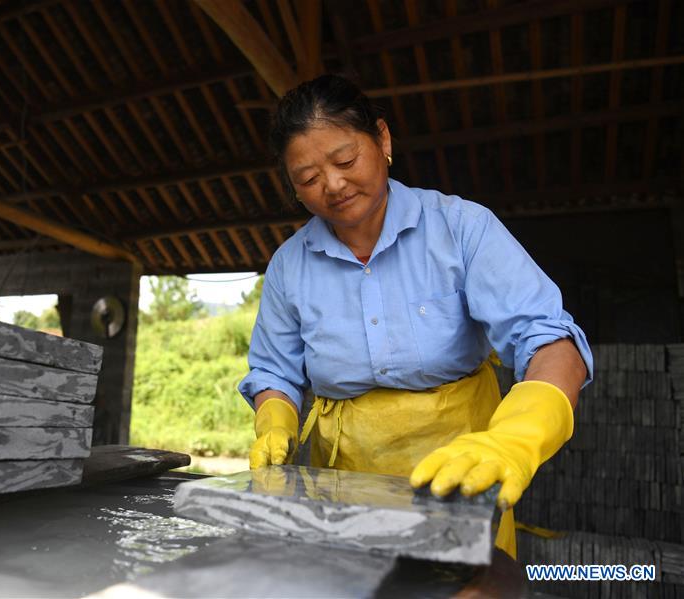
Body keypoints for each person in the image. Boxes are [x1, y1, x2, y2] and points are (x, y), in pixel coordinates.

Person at [237, 74, 592, 559]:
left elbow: (549, 340)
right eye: (308, 179)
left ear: (382, 140)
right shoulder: (288, 265)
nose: (333, 185)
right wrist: (275, 419)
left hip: (463, 479)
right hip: (341, 487)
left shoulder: (462, 227)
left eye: (345, 161)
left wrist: (518, 437)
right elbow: (276, 371)